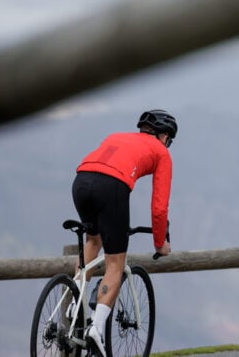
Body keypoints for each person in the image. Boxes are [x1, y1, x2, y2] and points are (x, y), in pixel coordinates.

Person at [70, 109, 176, 354]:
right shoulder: (161, 153)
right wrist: (160, 243)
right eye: (169, 140)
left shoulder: (117, 136)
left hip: (81, 180)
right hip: (112, 186)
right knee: (115, 264)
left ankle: (74, 308)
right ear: (163, 136)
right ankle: (96, 328)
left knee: (93, 240)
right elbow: (159, 208)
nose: (167, 145)